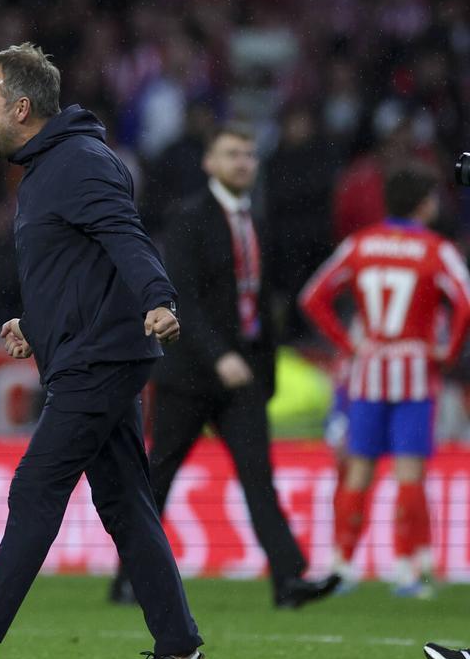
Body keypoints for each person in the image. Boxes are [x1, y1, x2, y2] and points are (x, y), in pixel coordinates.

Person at [0, 43, 213, 659]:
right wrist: (34, 324)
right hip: (94, 352)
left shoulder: (79, 164)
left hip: (99, 359)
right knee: (126, 502)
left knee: (37, 486)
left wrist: (159, 298)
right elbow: (79, 265)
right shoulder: (52, 166)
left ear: (21, 106)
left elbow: (127, 237)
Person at [110, 125, 339, 610]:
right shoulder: (189, 218)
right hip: (191, 375)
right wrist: (221, 355)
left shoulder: (255, 219)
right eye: (232, 154)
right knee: (160, 477)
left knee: (259, 478)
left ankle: (289, 580)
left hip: (245, 376)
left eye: (250, 155)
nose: (243, 163)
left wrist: (263, 364)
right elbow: (183, 300)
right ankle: (129, 576)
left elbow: (260, 300)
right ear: (209, 163)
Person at [299, 166, 470, 598]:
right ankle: (409, 570)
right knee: (409, 473)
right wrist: (448, 353)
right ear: (424, 203)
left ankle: (340, 566)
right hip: (414, 372)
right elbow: (465, 302)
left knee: (358, 471)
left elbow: (313, 297)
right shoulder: (436, 249)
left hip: (368, 370)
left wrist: (347, 344)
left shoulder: (360, 244)